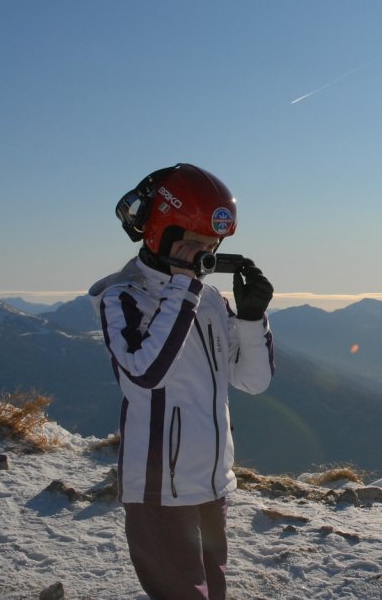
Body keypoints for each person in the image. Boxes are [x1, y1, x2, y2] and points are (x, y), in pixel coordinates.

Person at [89, 163, 275, 600]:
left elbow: (253, 380)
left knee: (214, 588)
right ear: (161, 232)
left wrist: (251, 318)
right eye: (194, 243)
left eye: (211, 245)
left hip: (211, 480)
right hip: (158, 486)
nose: (205, 255)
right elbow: (144, 373)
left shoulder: (208, 299)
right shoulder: (121, 295)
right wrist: (185, 286)